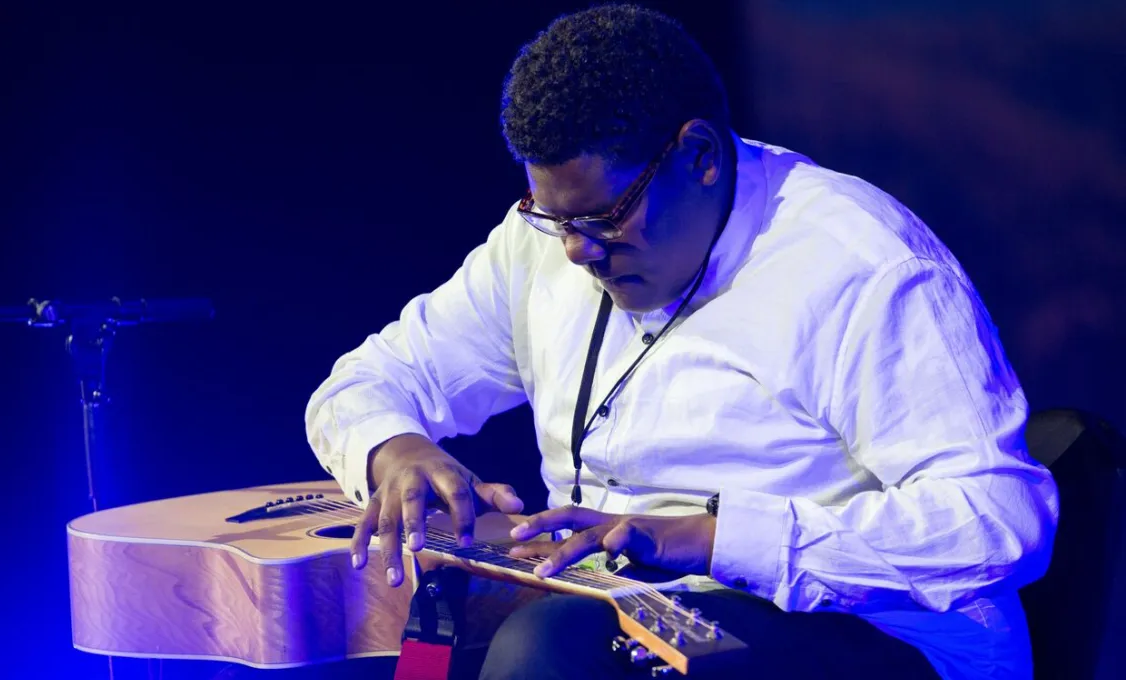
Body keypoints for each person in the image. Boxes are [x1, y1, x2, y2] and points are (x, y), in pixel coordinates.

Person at [305, 5, 1058, 679]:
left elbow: (1000, 520)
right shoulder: (546, 244)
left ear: (700, 156)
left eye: (603, 219)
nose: (576, 252)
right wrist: (394, 449)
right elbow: (363, 385)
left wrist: (715, 537)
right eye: (554, 219)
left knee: (549, 655)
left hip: (879, 637)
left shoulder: (866, 268)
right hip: (630, 605)